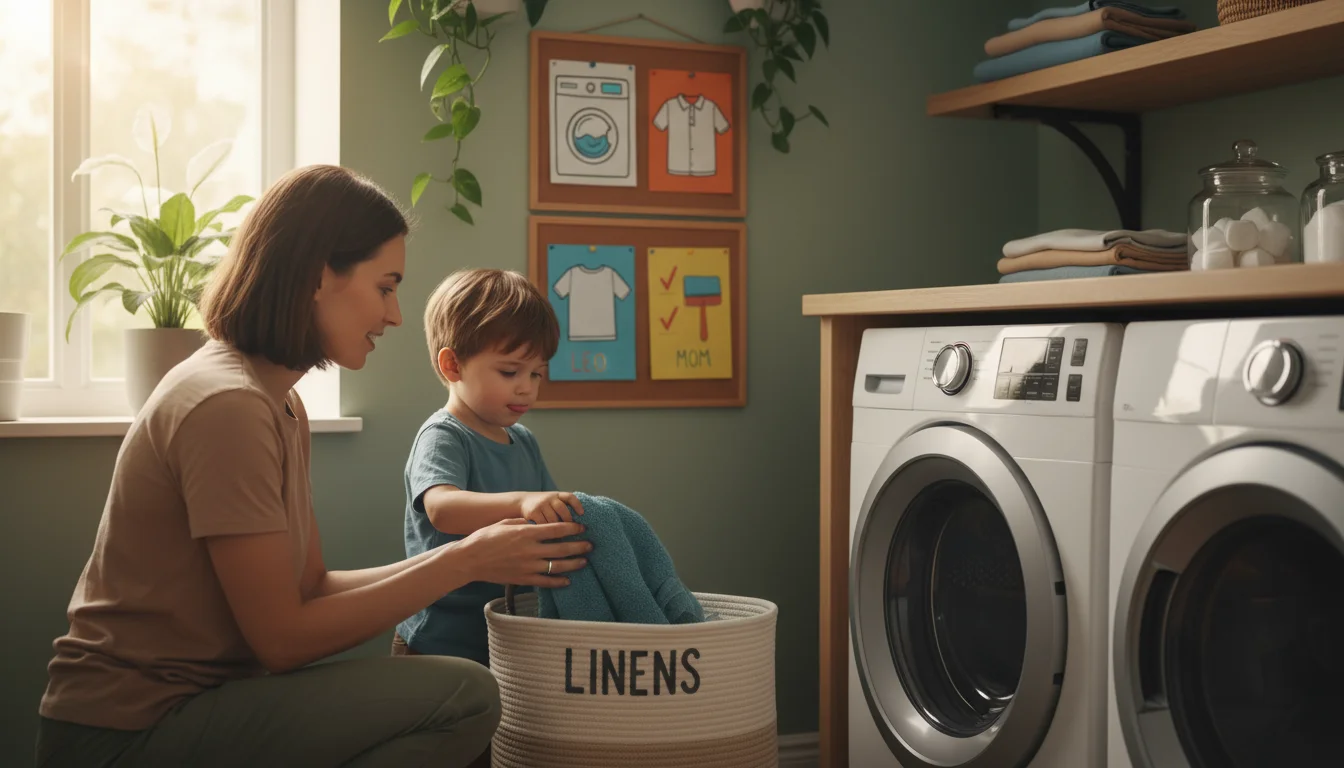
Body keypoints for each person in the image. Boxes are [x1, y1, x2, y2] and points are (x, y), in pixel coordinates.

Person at [35, 166, 592, 768]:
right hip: (131, 729)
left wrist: (473, 554)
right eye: (386, 286)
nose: (396, 315)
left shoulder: (279, 402)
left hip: (208, 702)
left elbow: (310, 588)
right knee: (466, 694)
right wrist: (466, 560)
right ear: (320, 275)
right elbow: (282, 641)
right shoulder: (228, 405)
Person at [391, 268, 586, 665]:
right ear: (453, 367)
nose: (526, 388)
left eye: (537, 374)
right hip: (440, 637)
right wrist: (521, 502)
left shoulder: (524, 441)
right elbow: (442, 510)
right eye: (510, 372)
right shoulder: (444, 436)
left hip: (505, 633)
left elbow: (547, 512)